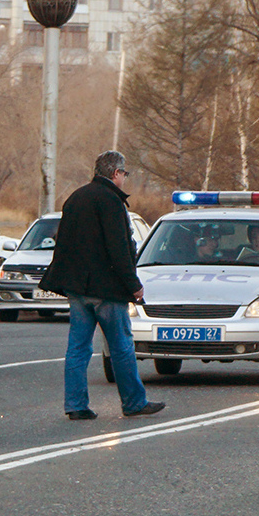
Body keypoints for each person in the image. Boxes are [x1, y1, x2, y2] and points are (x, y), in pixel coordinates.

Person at [38, 151, 166, 420]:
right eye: (124, 174)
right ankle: (133, 402)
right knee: (121, 346)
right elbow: (119, 249)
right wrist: (134, 285)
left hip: (78, 290)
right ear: (116, 173)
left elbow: (63, 244)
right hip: (107, 290)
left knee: (77, 347)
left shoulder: (75, 198)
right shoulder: (111, 202)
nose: (124, 179)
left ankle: (75, 405)